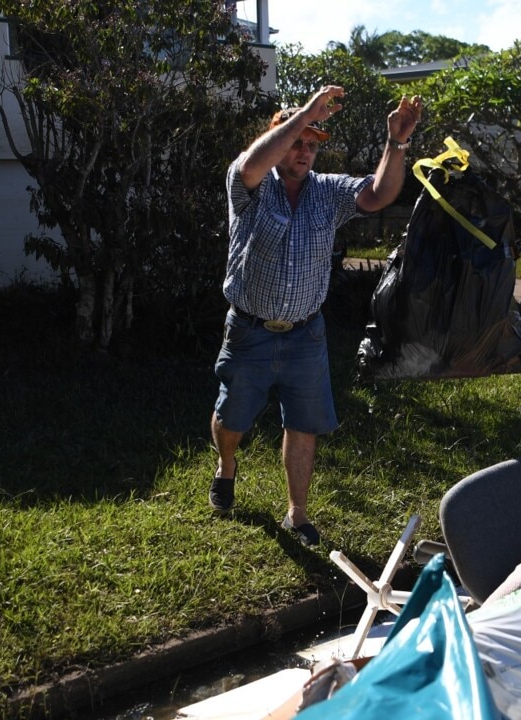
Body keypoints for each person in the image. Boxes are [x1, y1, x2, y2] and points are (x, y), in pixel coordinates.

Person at [210, 86, 423, 546]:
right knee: (232, 421)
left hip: (306, 334)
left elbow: (378, 194)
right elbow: (251, 163)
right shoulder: (247, 183)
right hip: (250, 330)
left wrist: (396, 143)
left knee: (304, 424)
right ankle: (227, 465)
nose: (305, 150)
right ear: (278, 140)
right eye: (296, 141)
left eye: (312, 143)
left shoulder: (327, 192)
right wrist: (305, 112)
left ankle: (297, 514)